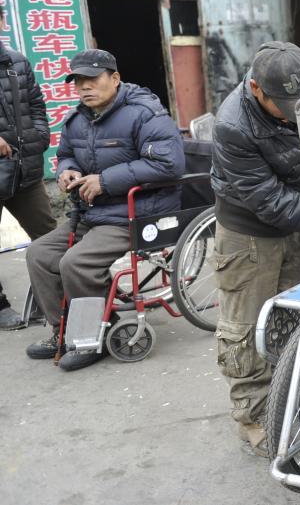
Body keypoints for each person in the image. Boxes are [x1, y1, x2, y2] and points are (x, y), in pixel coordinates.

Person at [211, 41, 300, 457]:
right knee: (247, 329)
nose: (297, 112)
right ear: (257, 88)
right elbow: (270, 202)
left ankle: (299, 402)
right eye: (286, 106)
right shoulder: (232, 125)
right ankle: (255, 417)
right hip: (249, 231)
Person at [25, 49, 185, 371]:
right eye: (78, 81)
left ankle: (92, 335)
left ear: (115, 79)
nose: (84, 87)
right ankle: (63, 331)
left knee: (77, 262)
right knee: (39, 254)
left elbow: (169, 164)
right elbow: (66, 154)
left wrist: (106, 181)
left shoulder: (144, 113)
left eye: (92, 79)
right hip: (92, 213)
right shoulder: (78, 119)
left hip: (136, 213)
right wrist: (67, 171)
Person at [0, 6, 57, 329]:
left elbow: (36, 104)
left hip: (25, 168)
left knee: (48, 234)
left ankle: (55, 296)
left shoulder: (17, 62)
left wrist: (39, 137)